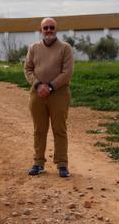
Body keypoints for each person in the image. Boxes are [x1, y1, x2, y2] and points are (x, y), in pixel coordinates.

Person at [24, 17, 74, 178]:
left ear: (56, 29)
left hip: (58, 94)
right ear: (41, 30)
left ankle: (62, 164)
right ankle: (38, 163)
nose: (48, 30)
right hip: (37, 94)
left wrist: (51, 86)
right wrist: (38, 85)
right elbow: (28, 69)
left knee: (59, 129)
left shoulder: (65, 48)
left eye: (51, 27)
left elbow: (67, 72)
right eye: (45, 28)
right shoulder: (33, 48)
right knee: (39, 130)